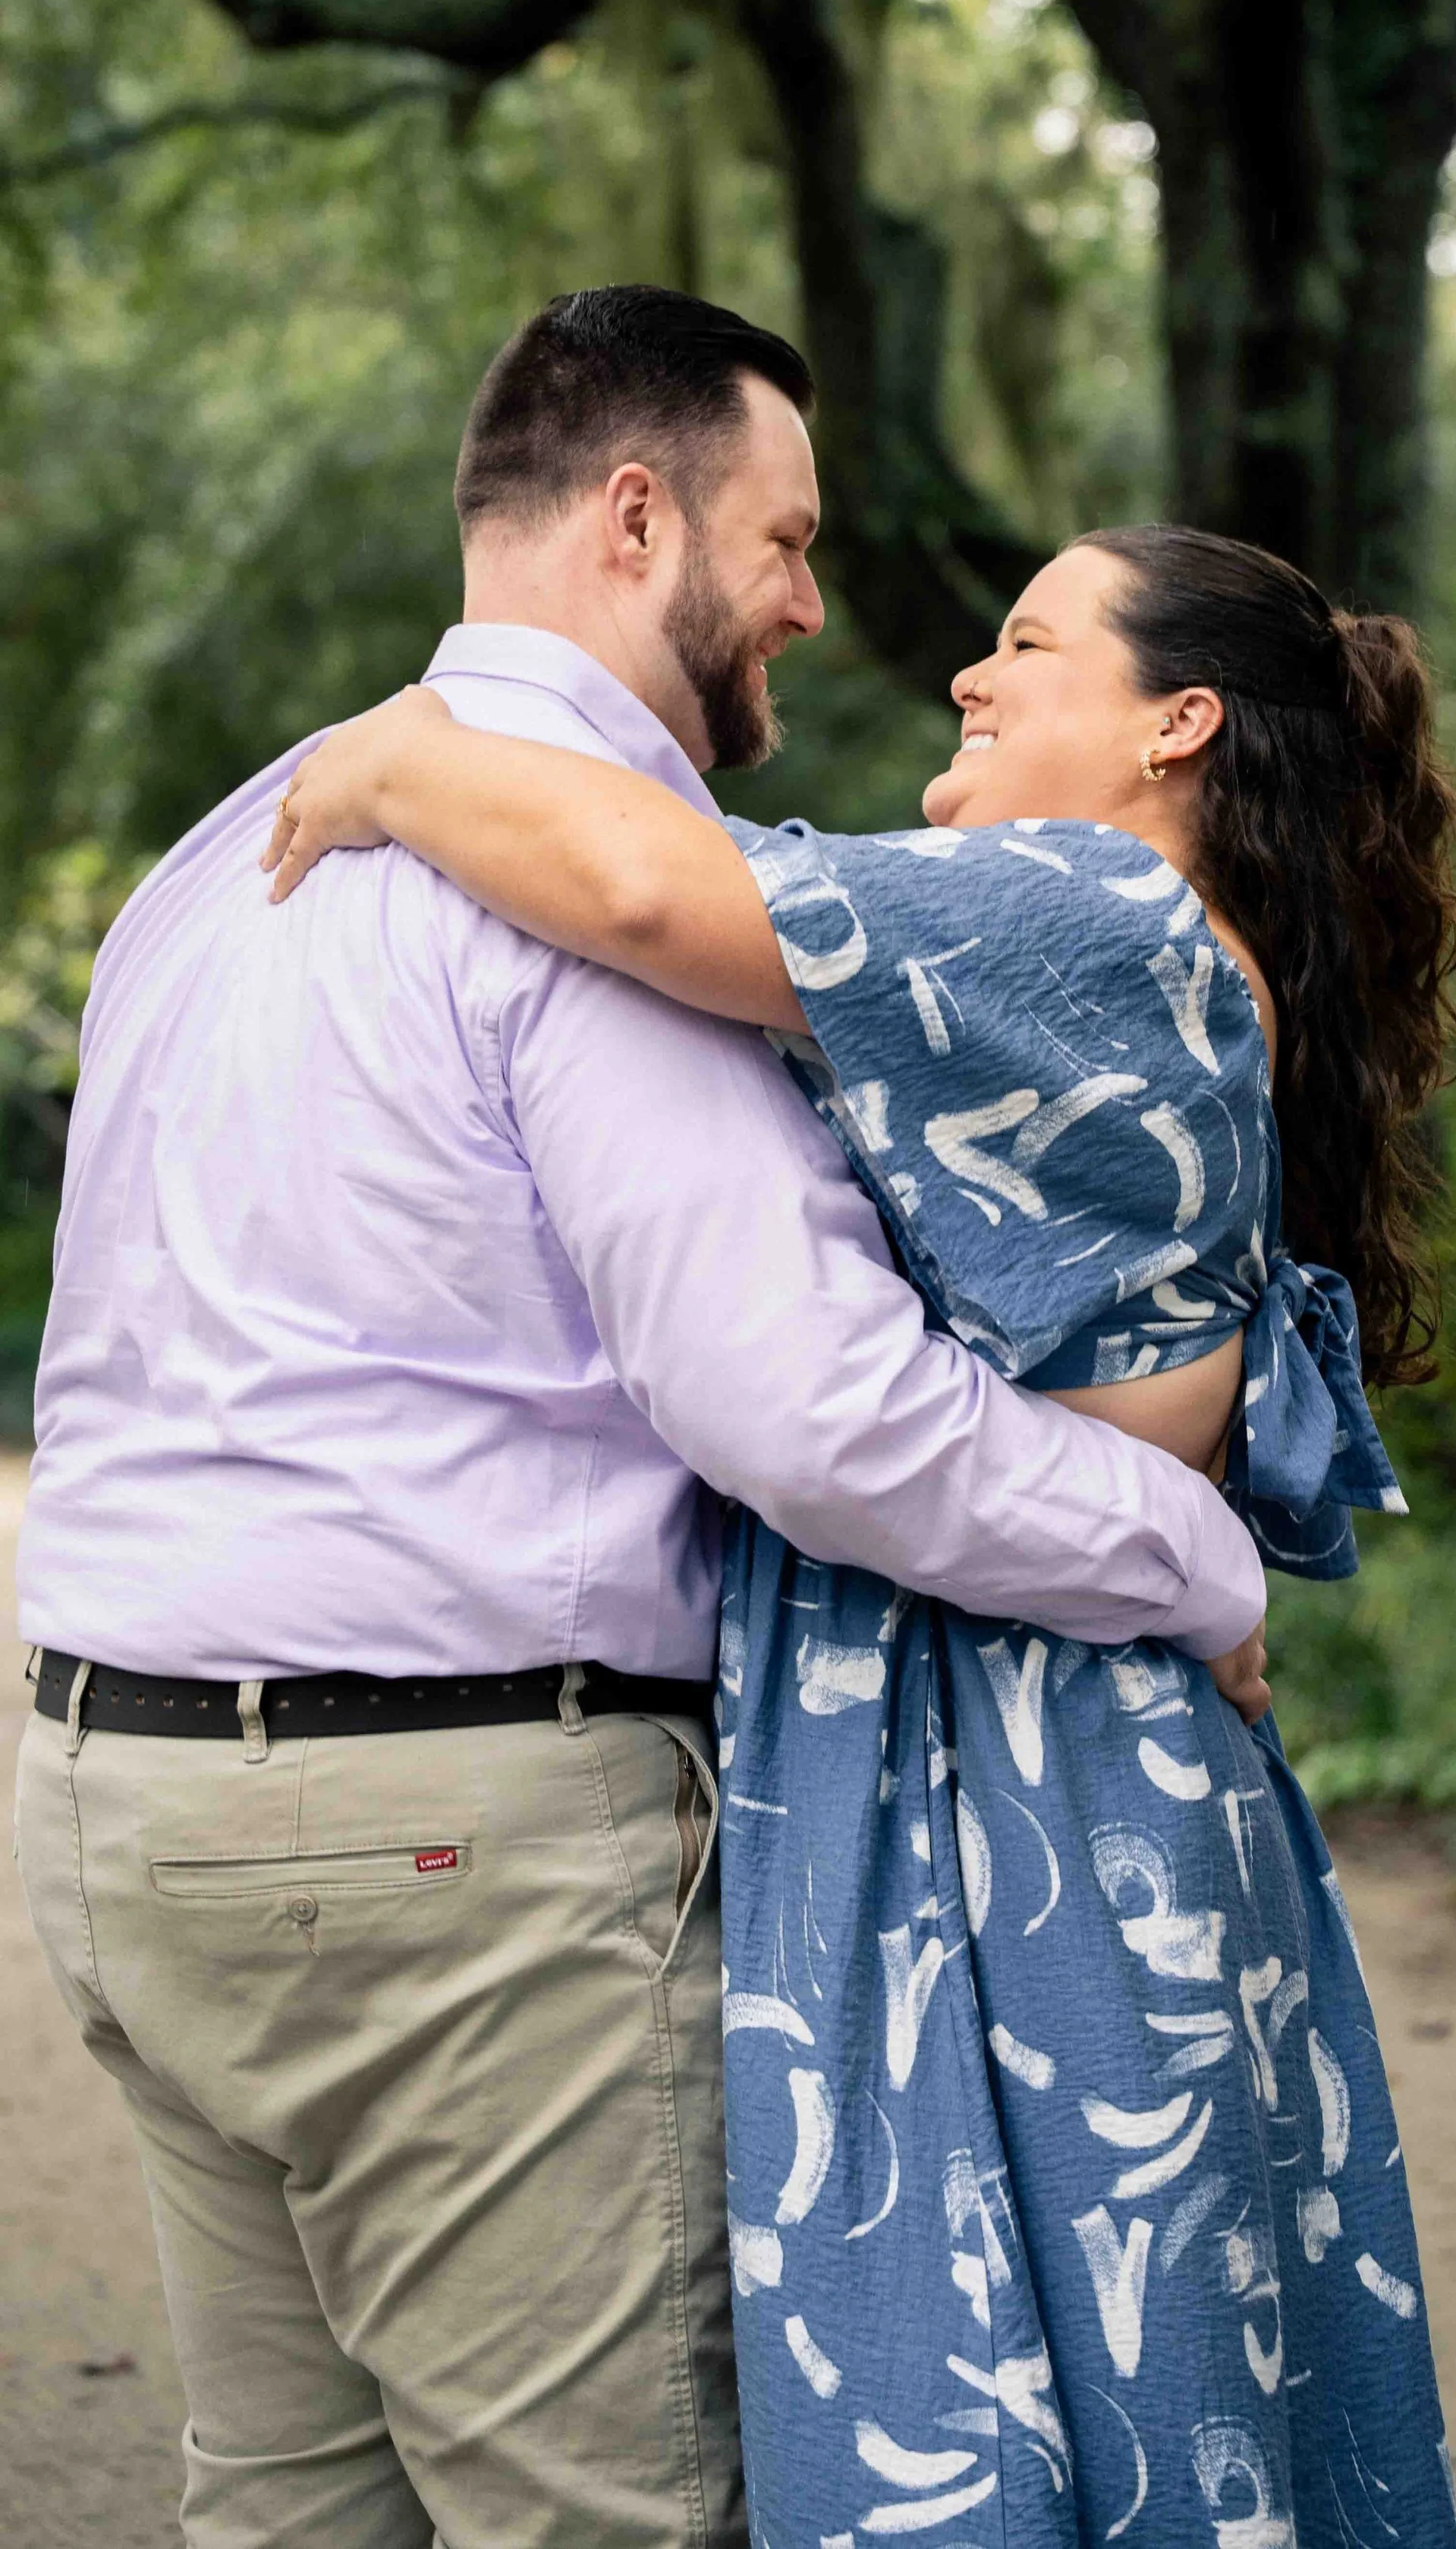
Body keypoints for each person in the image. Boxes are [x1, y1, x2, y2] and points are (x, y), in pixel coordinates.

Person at [13, 285, 1271, 2549]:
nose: (809, 600)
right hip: (449, 1860)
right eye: (782, 542)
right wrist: (1197, 1558)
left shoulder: (214, 868)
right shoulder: (585, 874)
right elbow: (810, 1414)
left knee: (287, 2514)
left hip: (119, 1811)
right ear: (634, 515)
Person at [269, 507, 1456, 2544]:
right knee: (1094, 2391)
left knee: (1000, 2390)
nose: (968, 679)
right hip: (1025, 1752)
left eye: (1027, 646)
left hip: (1033, 1788)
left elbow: (654, 893)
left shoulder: (1093, 912)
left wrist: (390, 761)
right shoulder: (1109, 962)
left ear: (1179, 726)